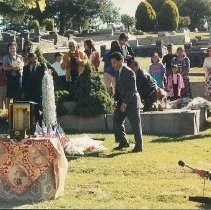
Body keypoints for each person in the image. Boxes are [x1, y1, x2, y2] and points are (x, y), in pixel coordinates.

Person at [111, 52, 143, 153]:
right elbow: (118, 89)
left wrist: (125, 103)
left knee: (135, 125)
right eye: (112, 63)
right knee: (117, 120)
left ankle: (139, 147)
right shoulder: (118, 72)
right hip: (122, 101)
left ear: (121, 61)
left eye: (114, 62)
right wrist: (115, 100)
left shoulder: (129, 72)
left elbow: (132, 90)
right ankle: (123, 142)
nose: (113, 65)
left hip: (132, 102)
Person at [22, 53, 47, 124]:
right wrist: (23, 91)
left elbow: (46, 77)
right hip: (29, 92)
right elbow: (24, 80)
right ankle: (29, 125)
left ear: (37, 59)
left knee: (39, 109)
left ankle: (40, 124)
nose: (33, 62)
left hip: (38, 92)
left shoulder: (42, 66)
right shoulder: (25, 68)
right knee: (29, 109)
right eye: (31, 60)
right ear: (29, 60)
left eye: (34, 60)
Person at [3, 42, 24, 109]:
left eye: (13, 48)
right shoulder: (6, 57)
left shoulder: (20, 57)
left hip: (18, 78)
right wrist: (12, 68)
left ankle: (16, 112)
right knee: (8, 96)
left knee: (17, 95)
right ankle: (6, 113)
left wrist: (19, 68)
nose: (12, 49)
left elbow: (22, 66)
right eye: (10, 48)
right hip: (10, 78)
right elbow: (4, 67)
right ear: (8, 49)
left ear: (16, 48)